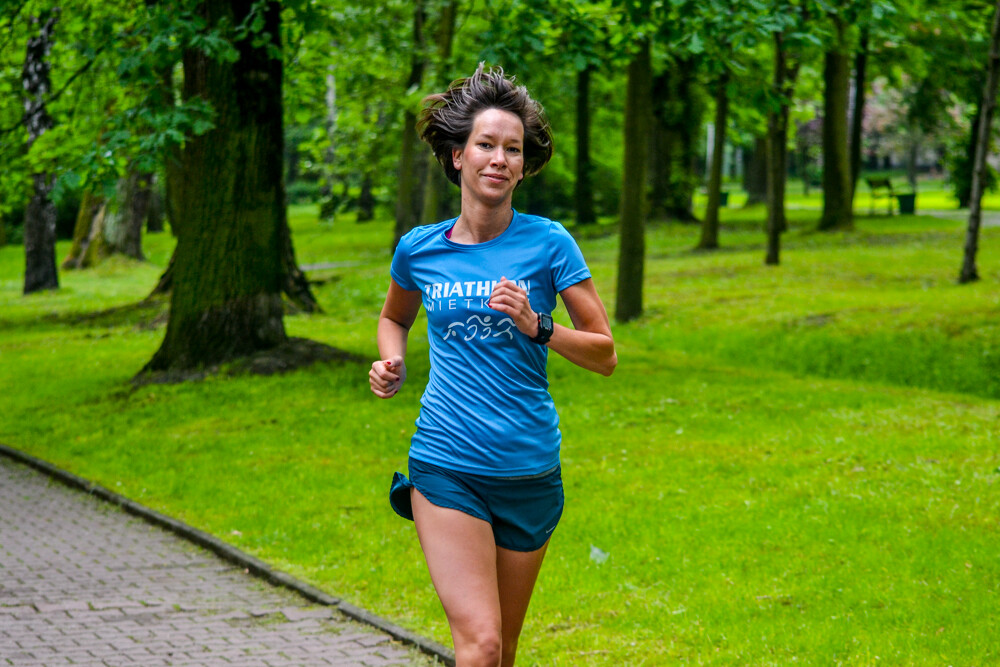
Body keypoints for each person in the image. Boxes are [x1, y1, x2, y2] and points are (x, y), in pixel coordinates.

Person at [368, 63, 617, 667]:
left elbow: (605, 352)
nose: (499, 159)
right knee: (479, 645)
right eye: (486, 145)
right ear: (458, 156)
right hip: (447, 463)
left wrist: (540, 326)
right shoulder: (420, 249)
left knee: (502, 651)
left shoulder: (549, 243)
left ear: (524, 166)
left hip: (529, 471)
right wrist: (391, 361)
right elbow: (394, 318)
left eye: (513, 149)